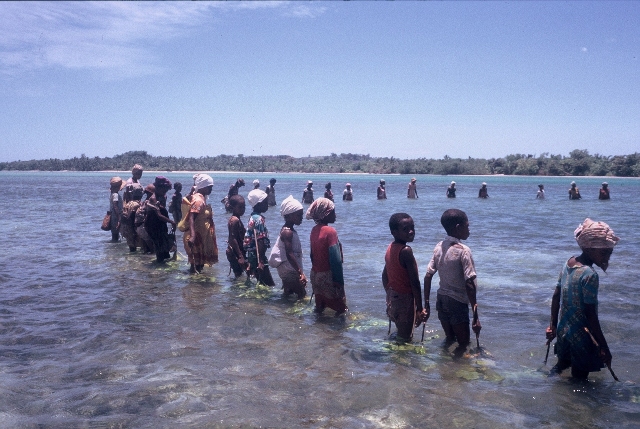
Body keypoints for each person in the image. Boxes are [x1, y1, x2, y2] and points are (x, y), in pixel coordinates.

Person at [546, 218, 619, 379]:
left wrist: (552, 325)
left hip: (564, 331)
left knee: (561, 365)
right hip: (582, 337)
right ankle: (573, 404)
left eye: (609, 252)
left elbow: (556, 296)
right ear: (590, 248)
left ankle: (550, 391)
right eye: (604, 252)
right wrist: (603, 346)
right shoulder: (590, 275)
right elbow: (590, 314)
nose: (607, 256)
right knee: (579, 381)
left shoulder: (568, 263)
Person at [424, 209, 480, 357]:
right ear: (458, 227)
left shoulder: (439, 247)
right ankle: (456, 372)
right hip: (457, 302)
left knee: (449, 339)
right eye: (467, 226)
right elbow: (469, 283)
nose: (469, 230)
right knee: (463, 344)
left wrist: (427, 304)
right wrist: (475, 316)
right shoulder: (463, 251)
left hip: (441, 300)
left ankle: (444, 369)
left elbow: (428, 276)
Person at [382, 213, 427, 342]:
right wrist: (419, 308)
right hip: (404, 300)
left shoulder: (391, 247)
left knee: (401, 333)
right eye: (405, 229)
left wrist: (390, 294)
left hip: (393, 298)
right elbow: (415, 282)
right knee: (405, 338)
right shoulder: (406, 251)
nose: (411, 231)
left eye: (412, 227)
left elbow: (385, 275)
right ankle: (400, 361)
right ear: (394, 232)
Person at [306, 198, 347, 315]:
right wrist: (339, 281)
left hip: (315, 274)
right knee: (341, 309)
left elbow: (312, 255)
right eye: (333, 212)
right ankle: (337, 333)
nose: (335, 215)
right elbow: (336, 259)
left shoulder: (314, 230)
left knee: (320, 307)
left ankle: (318, 331)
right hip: (327, 275)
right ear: (326, 214)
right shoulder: (330, 231)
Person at [269, 196, 307, 300]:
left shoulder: (289, 230)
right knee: (301, 294)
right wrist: (300, 273)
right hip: (289, 269)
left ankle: (285, 314)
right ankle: (294, 316)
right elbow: (289, 254)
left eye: (301, 214)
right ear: (289, 216)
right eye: (299, 215)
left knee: (288, 293)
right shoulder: (287, 232)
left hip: (287, 268)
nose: (301, 217)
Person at [184, 174, 218, 274]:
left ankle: (197, 286)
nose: (211, 189)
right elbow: (191, 217)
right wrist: (193, 236)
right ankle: (195, 288)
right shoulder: (198, 200)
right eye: (210, 187)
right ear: (203, 187)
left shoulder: (201, 198)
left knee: (199, 266)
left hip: (201, 236)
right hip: (196, 236)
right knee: (195, 267)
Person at [244, 189, 275, 285]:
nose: (267, 204)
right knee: (268, 284)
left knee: (260, 282)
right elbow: (260, 240)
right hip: (258, 256)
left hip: (252, 255)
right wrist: (261, 260)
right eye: (265, 202)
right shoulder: (259, 219)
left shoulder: (252, 217)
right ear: (258, 204)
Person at [145, 176, 176, 263]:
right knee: (159, 247)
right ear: (157, 187)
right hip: (152, 225)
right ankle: (159, 268)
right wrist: (172, 222)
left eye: (166, 189)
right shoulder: (153, 199)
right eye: (164, 189)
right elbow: (158, 215)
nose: (165, 191)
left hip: (161, 224)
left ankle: (165, 273)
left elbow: (163, 211)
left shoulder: (163, 196)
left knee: (165, 247)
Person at [226, 195, 247, 278]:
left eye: (244, 207)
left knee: (239, 275)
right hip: (234, 253)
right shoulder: (235, 220)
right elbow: (232, 239)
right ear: (232, 207)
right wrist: (240, 256)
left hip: (236, 252)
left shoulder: (237, 219)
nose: (243, 209)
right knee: (238, 275)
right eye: (240, 207)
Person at [120, 183, 144, 252]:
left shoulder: (129, 203)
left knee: (132, 247)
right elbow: (133, 216)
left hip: (126, 228)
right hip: (132, 227)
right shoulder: (137, 204)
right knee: (139, 244)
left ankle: (131, 260)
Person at [135, 184, 156, 254]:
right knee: (151, 247)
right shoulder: (149, 202)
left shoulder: (144, 202)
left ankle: (145, 259)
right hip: (143, 226)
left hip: (138, 226)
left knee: (145, 245)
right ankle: (151, 258)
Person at [108, 177, 124, 242]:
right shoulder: (115, 195)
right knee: (115, 235)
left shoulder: (112, 194)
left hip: (113, 217)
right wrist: (119, 219)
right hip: (115, 218)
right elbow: (115, 206)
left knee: (115, 235)